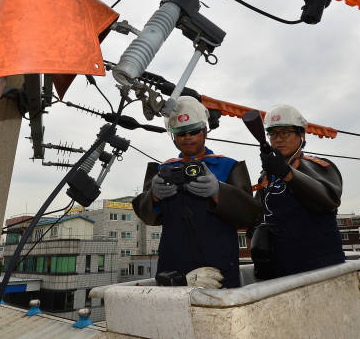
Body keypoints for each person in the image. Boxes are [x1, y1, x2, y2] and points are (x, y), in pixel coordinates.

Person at [132, 96, 261, 288]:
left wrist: (219, 191)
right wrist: (153, 196)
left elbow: (251, 216)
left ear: (205, 132)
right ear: (173, 136)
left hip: (219, 269)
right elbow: (148, 218)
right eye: (181, 133)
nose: (188, 137)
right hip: (173, 269)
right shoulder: (162, 171)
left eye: (193, 131)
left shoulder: (229, 167)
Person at [251, 104, 344, 280]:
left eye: (285, 132)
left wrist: (288, 173)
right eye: (273, 134)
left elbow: (329, 200)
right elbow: (254, 217)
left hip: (322, 268)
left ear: (301, 134)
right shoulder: (266, 178)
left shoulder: (320, 167)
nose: (278, 139)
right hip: (281, 269)